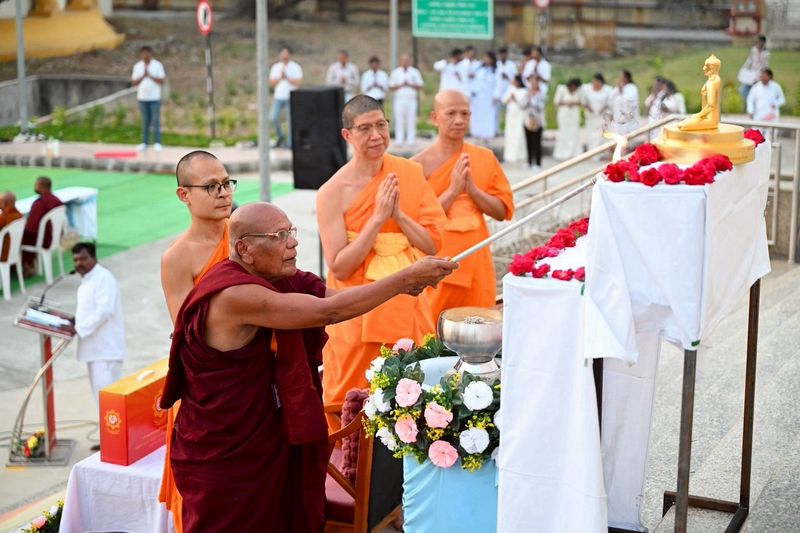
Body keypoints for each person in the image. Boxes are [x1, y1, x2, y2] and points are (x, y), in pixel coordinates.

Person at [159, 202, 455, 531]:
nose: (293, 242)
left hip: (267, 433)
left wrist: (402, 285)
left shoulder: (278, 278)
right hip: (226, 449)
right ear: (244, 248)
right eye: (280, 235)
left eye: (292, 232)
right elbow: (326, 312)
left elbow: (333, 299)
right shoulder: (233, 294)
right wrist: (403, 279)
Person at [315, 95, 447, 408]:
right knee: (352, 402)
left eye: (380, 125)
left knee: (415, 398)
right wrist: (376, 219)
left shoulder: (409, 173)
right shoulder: (332, 192)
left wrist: (398, 216)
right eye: (364, 129)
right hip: (357, 311)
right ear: (347, 135)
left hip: (408, 304)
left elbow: (432, 244)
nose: (375, 135)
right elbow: (340, 266)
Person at [158, 150, 236, 533]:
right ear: (183, 195)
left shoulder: (245, 233)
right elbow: (188, 334)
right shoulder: (178, 258)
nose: (223, 193)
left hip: (255, 379)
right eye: (211, 186)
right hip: (210, 390)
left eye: (226, 183)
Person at [412, 90, 514, 322]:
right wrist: (453, 191)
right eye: (451, 113)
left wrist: (473, 191)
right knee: (431, 330)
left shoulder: (483, 158)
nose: (459, 120)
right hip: (436, 262)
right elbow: (414, 220)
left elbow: (501, 212)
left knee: (478, 327)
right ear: (434, 117)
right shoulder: (418, 165)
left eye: (464, 114)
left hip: (476, 260)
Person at [69, 242, 125, 405]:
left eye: (83, 259)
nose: (79, 263)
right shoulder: (87, 281)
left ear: (94, 258)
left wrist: (78, 328)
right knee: (101, 403)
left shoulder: (104, 278)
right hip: (95, 352)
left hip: (106, 352)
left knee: (109, 405)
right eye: (76, 260)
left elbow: (104, 311)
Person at [22, 176, 63, 277]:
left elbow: (31, 228)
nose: (35, 187)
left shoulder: (39, 204)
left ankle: (27, 266)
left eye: (36, 185)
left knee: (16, 238)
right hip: (55, 237)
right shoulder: (56, 200)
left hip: (44, 240)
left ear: (41, 186)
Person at [131, 45, 166, 152]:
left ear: (151, 54)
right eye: (144, 53)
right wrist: (143, 75)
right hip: (142, 97)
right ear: (141, 54)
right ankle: (144, 142)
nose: (146, 55)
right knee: (145, 120)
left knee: (155, 120)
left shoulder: (157, 65)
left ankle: (157, 142)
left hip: (154, 97)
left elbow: (161, 81)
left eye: (148, 53)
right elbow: (134, 82)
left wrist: (150, 75)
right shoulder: (137, 66)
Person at [269, 46, 303, 148]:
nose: (285, 56)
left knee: (290, 120)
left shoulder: (295, 67)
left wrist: (287, 77)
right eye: (283, 54)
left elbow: (298, 82)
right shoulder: (276, 67)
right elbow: (272, 83)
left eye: (286, 54)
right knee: (273, 117)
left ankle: (290, 143)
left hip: (291, 96)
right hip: (279, 96)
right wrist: (280, 77)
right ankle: (280, 136)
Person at [679, 54, 722, 131]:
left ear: (712, 68)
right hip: (707, 116)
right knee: (685, 122)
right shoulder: (715, 79)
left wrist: (698, 115)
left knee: (682, 125)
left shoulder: (712, 82)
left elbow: (711, 105)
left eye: (706, 66)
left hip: (711, 119)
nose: (704, 68)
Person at [389, 53, 424, 146]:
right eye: (403, 60)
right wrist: (401, 84)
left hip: (411, 99)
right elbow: (391, 87)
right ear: (400, 61)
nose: (405, 62)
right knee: (399, 119)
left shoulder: (415, 72)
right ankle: (399, 139)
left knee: (411, 119)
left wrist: (409, 84)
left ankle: (410, 139)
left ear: (409, 61)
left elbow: (420, 86)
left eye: (406, 60)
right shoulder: (395, 72)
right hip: (399, 99)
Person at [469, 51, 499, 143]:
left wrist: (495, 96)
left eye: (487, 58)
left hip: (489, 97)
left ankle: (487, 136)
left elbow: (498, 84)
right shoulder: (479, 68)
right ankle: (477, 134)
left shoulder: (496, 71)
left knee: (489, 116)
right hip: (478, 97)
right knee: (477, 116)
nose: (485, 60)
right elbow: (474, 80)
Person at [553, 78, 583, 160]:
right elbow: (556, 102)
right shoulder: (561, 89)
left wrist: (574, 103)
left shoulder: (578, 91)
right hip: (564, 114)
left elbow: (581, 102)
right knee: (563, 132)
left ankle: (574, 151)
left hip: (574, 114)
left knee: (574, 132)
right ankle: (563, 151)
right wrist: (566, 103)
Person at [581, 73, 613, 152]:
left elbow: (610, 102)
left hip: (603, 116)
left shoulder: (607, 90)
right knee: (591, 136)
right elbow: (583, 101)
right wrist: (588, 108)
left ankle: (602, 152)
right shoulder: (587, 89)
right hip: (591, 116)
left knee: (602, 135)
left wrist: (603, 109)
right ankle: (592, 151)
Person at [501, 75, 529, 164]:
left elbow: (523, 104)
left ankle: (519, 155)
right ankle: (509, 155)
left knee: (519, 134)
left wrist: (515, 98)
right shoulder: (510, 89)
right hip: (510, 116)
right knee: (509, 134)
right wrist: (510, 98)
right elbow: (503, 100)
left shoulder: (524, 91)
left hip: (519, 116)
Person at [738, 35, 769, 102]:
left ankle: (754, 105)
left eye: (761, 42)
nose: (759, 44)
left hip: (758, 76)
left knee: (756, 92)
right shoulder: (753, 50)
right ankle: (749, 104)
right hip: (750, 74)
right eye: (758, 42)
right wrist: (743, 71)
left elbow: (764, 66)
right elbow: (749, 61)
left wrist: (759, 76)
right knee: (742, 90)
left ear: (763, 43)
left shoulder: (766, 53)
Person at [524, 76, 546, 171]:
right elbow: (522, 105)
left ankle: (537, 162)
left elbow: (540, 106)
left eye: (534, 83)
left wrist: (533, 98)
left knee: (537, 142)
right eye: (531, 83)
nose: (533, 85)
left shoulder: (541, 94)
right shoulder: (527, 93)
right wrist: (528, 97)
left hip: (537, 121)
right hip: (527, 120)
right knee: (528, 142)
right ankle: (529, 162)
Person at [495, 47, 519, 132]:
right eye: (500, 54)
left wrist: (507, 77)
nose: (502, 56)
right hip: (497, 92)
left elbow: (515, 79)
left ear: (506, 55)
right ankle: (496, 130)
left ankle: (507, 130)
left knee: (508, 113)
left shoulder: (511, 65)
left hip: (508, 92)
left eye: (504, 54)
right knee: (496, 113)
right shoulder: (496, 65)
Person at [609, 69, 639, 134]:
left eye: (621, 76)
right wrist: (619, 89)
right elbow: (610, 99)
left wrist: (621, 90)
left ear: (626, 78)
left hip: (628, 122)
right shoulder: (616, 88)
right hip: (617, 120)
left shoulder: (632, 87)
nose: (619, 78)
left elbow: (629, 102)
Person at [0, 191, 23, 262]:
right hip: (15, 250)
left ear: (5, 203)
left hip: (4, 253)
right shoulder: (19, 215)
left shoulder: (4, 217)